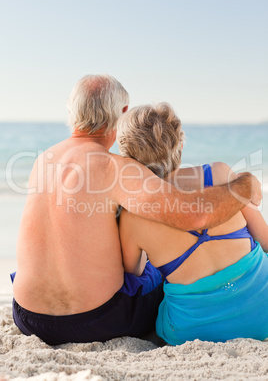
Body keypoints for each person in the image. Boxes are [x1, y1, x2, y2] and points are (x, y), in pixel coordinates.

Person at [12, 75, 261, 345]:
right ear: (122, 114)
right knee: (156, 264)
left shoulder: (42, 160)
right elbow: (194, 214)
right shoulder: (114, 167)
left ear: (71, 111)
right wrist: (244, 185)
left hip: (29, 318)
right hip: (98, 321)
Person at [117, 102, 268, 345]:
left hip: (191, 332)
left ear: (128, 157)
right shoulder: (218, 174)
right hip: (264, 314)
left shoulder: (131, 215)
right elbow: (264, 238)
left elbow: (134, 271)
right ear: (180, 142)